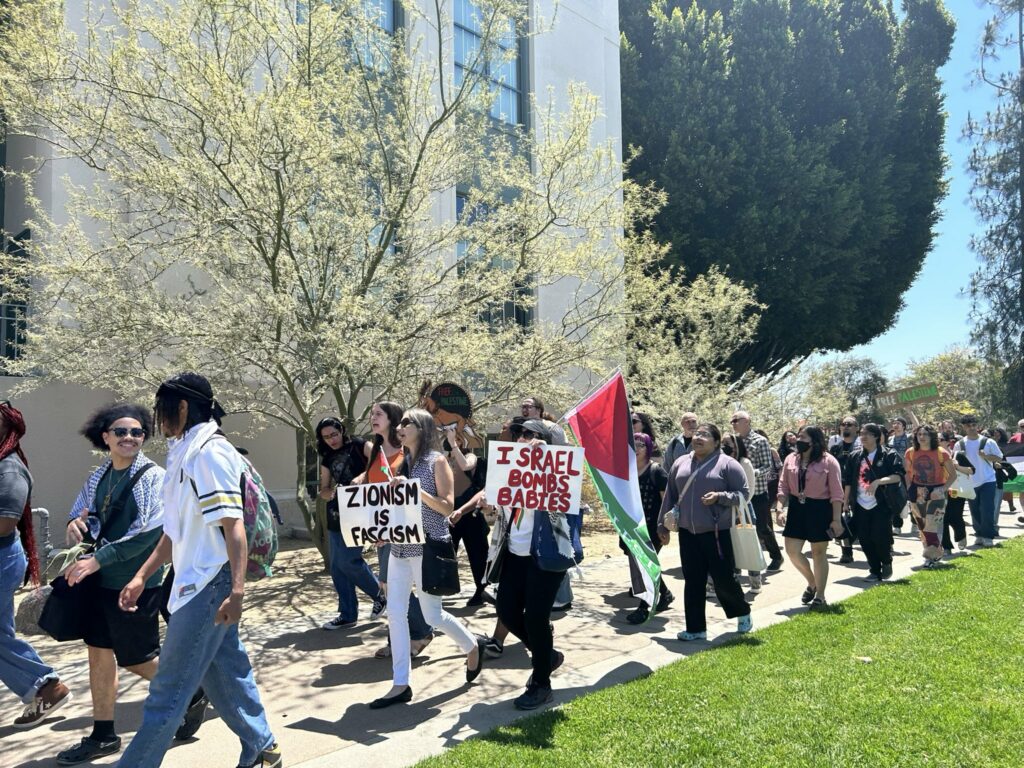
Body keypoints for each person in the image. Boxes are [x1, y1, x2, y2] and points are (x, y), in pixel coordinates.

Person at [116, 373, 280, 768]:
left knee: (168, 692)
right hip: (195, 583)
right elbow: (175, 532)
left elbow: (233, 525)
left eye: (162, 407)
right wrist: (142, 575)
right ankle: (263, 748)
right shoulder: (185, 451)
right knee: (226, 672)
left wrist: (237, 591)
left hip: (209, 584)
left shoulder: (208, 453)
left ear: (184, 408)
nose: (157, 417)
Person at [57, 404, 178, 765]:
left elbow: (150, 532)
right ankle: (103, 735)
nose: (129, 437)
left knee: (137, 660)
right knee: (98, 654)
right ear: (105, 437)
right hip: (99, 581)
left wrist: (99, 559)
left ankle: (192, 690)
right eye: (121, 431)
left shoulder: (153, 476)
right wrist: (72, 526)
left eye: (137, 432)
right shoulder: (98, 476)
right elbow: (80, 512)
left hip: (137, 581)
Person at [369, 408, 483, 709]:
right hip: (399, 548)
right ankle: (400, 683)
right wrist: (384, 528)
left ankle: (471, 647)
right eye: (401, 422)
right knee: (395, 613)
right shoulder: (402, 463)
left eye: (407, 422)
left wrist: (417, 492)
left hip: (428, 549)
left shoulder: (437, 461)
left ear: (422, 428)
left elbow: (447, 508)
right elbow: (398, 507)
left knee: (431, 616)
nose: (401, 427)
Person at [0, 401, 72, 729]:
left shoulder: (10, 468)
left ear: (8, 428)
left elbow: (6, 521)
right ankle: (43, 685)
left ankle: (45, 684)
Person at [493, 418, 571, 709]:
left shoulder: (557, 470)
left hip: (545, 556)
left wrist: (548, 460)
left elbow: (564, 500)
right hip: (514, 554)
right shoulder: (510, 468)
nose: (522, 438)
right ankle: (546, 655)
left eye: (530, 434)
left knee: (536, 617)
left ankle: (541, 683)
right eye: (520, 433)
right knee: (506, 611)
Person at [657, 423, 752, 640]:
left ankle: (742, 611)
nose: (698, 437)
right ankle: (696, 628)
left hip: (717, 533)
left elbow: (744, 495)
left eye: (705, 435)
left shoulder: (728, 465)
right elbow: (670, 495)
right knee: (693, 580)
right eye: (696, 434)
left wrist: (720, 497)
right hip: (688, 533)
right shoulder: (681, 463)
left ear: (717, 442)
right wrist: (662, 525)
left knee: (724, 579)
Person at [360, 402, 433, 659]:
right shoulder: (376, 453)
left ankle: (420, 631)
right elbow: (374, 491)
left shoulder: (406, 455)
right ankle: (401, 640)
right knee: (389, 587)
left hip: (402, 530)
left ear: (392, 419)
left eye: (378, 414)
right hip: (382, 531)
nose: (372, 418)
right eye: (371, 414)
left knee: (392, 586)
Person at [316, 417, 384, 629]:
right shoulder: (326, 457)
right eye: (326, 437)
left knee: (348, 561)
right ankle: (348, 614)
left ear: (342, 431)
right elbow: (324, 489)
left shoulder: (360, 445)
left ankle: (381, 595)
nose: (331, 440)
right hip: (337, 512)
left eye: (334, 434)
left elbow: (383, 460)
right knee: (337, 567)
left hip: (362, 509)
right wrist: (331, 493)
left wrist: (363, 475)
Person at [776, 426, 844, 607]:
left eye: (803, 437)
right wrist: (780, 508)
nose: (798, 440)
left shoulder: (829, 461)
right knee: (792, 551)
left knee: (818, 552)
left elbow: (837, 493)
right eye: (798, 436)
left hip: (820, 509)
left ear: (814, 441)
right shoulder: (791, 459)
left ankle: (820, 596)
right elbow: (783, 486)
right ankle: (812, 582)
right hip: (797, 507)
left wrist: (836, 519)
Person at [842, 423, 905, 581]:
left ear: (876, 436)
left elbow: (898, 476)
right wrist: (845, 501)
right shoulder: (855, 456)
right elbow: (848, 480)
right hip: (860, 504)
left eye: (867, 434)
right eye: (861, 433)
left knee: (880, 536)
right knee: (864, 538)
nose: (863, 437)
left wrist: (878, 482)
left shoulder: (889, 454)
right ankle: (874, 569)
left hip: (881, 503)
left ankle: (886, 562)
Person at [623, 432, 673, 622]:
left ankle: (644, 606)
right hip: (631, 527)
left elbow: (666, 500)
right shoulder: (626, 471)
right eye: (633, 444)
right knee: (642, 564)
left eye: (641, 445)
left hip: (652, 528)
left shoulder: (657, 471)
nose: (636, 448)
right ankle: (665, 594)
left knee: (644, 566)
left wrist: (665, 528)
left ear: (649, 448)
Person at [730, 411, 784, 572]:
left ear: (746, 421)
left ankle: (776, 556)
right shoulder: (734, 441)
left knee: (762, 527)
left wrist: (750, 473)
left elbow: (767, 466)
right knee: (738, 527)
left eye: (735, 420)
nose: (732, 423)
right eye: (731, 421)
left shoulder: (760, 441)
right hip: (738, 492)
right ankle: (739, 561)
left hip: (758, 491)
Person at [445, 427, 490, 607]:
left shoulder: (470, 457)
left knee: (478, 556)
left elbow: (466, 465)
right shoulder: (444, 459)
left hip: (471, 514)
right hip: (450, 515)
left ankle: (482, 591)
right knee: (447, 555)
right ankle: (441, 589)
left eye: (456, 439)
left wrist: (454, 445)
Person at [903, 425, 959, 568]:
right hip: (917, 492)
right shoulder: (910, 452)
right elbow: (906, 472)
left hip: (937, 491)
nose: (922, 437)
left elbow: (953, 475)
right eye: (919, 434)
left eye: (925, 434)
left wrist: (942, 489)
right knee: (922, 525)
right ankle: (932, 553)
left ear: (932, 436)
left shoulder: (942, 453)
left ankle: (932, 555)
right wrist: (909, 487)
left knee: (932, 524)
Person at [721, 432, 763, 592]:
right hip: (724, 509)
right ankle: (731, 581)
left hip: (743, 509)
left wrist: (737, 504)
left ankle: (754, 579)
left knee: (748, 544)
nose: (725, 446)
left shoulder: (744, 463)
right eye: (723, 443)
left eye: (728, 443)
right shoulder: (719, 462)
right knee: (729, 547)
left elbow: (749, 489)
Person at [957, 415, 1003, 547]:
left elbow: (999, 458)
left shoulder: (988, 442)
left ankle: (988, 536)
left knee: (987, 509)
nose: (971, 428)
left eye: (973, 425)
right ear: (963, 427)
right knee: (975, 510)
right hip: (970, 481)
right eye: (968, 425)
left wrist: (986, 456)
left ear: (977, 425)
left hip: (988, 480)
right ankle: (979, 534)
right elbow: (954, 462)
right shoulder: (960, 444)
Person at [828, 416, 862, 563]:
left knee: (859, 519)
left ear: (856, 428)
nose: (846, 427)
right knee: (840, 521)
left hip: (858, 489)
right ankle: (846, 551)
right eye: (843, 424)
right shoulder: (836, 448)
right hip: (839, 489)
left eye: (850, 424)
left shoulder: (861, 447)